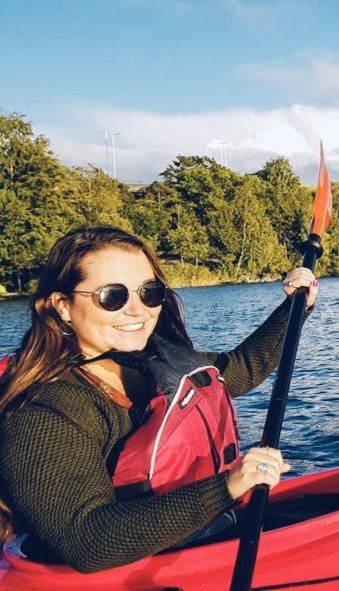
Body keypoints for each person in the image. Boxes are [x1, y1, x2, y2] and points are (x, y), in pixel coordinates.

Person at [0, 226, 318, 572]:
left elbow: (241, 368)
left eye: (149, 292)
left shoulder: (155, 359)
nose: (137, 311)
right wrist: (228, 486)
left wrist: (295, 306)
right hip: (123, 572)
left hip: (197, 536)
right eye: (112, 296)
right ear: (62, 306)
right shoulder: (42, 408)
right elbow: (87, 541)